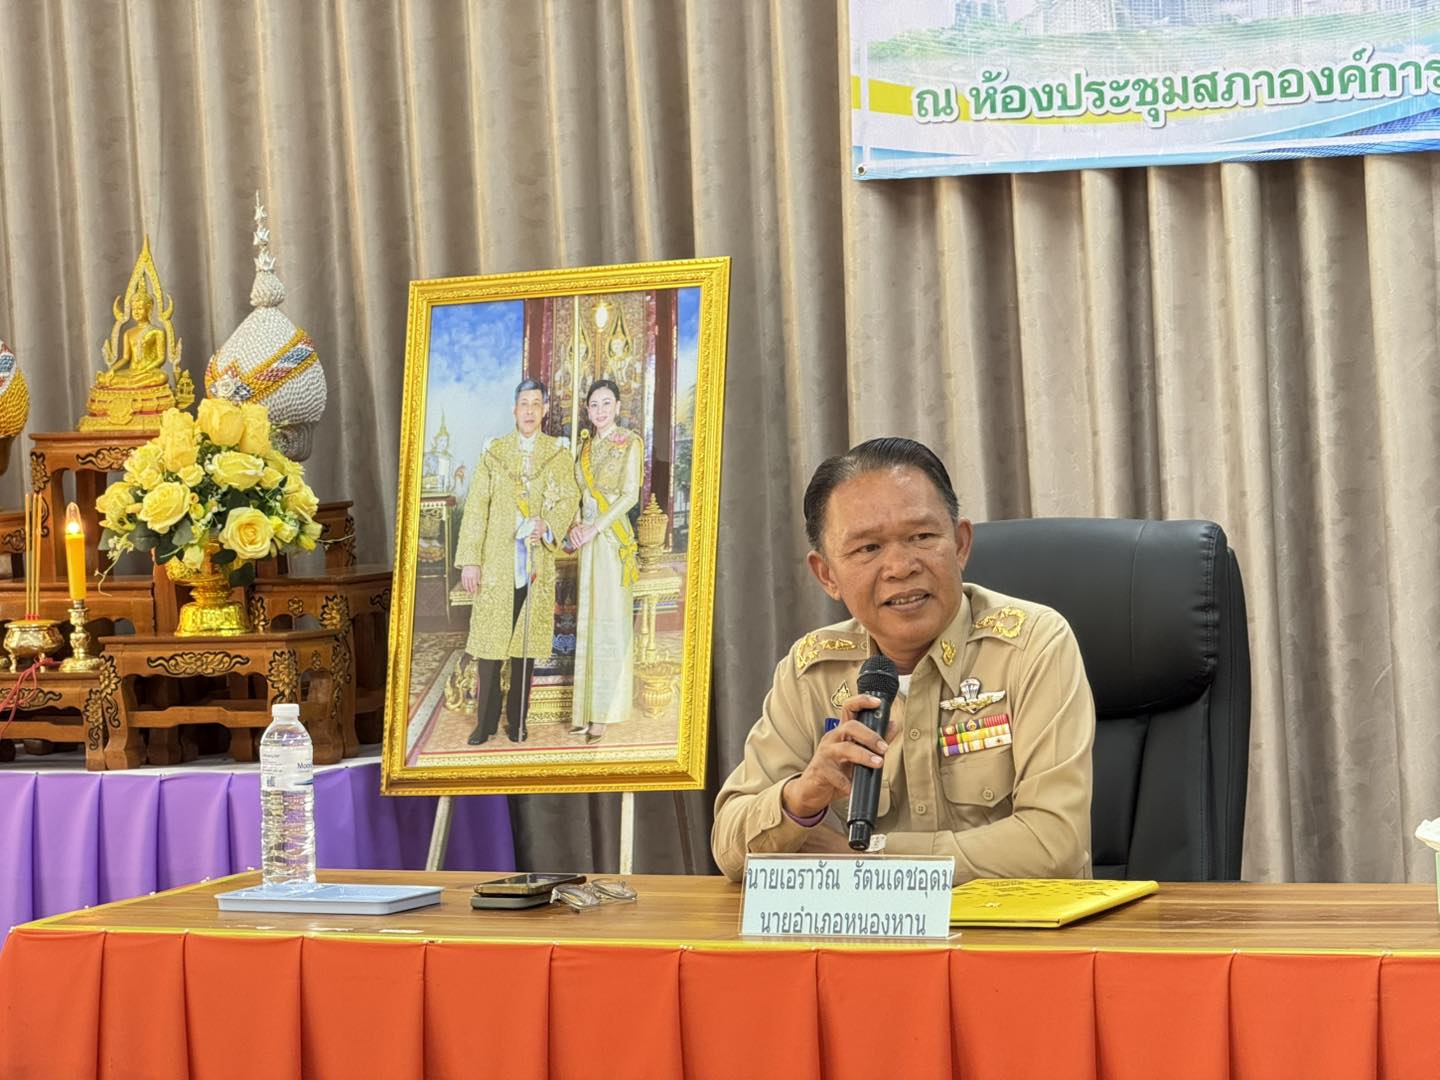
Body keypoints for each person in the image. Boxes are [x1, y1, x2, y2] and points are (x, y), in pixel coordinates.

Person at [711, 437, 1094, 882]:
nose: (900, 566)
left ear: (961, 544)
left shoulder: (1032, 644)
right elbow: (729, 849)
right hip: (870, 928)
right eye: (868, 549)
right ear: (827, 574)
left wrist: (868, 860)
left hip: (1016, 925)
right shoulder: (813, 670)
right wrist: (801, 798)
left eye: (922, 537)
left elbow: (1054, 844)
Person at [454, 378, 578, 745]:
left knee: (525, 647)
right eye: (524, 403)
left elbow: (568, 498)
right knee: (489, 646)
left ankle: (518, 721)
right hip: (496, 563)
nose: (529, 410)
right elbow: (476, 508)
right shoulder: (494, 452)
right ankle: (485, 722)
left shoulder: (557, 453)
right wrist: (471, 561)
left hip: (534, 564)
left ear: (544, 410)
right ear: (514, 409)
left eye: (536, 404)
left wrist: (547, 525)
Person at [567, 379, 644, 743]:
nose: (600, 410)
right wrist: (574, 526)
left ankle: (604, 713)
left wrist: (595, 527)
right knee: (589, 623)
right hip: (586, 542)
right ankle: (585, 710)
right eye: (594, 404)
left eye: (606, 403)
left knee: (610, 623)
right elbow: (575, 494)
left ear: (617, 407)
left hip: (612, 540)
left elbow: (630, 496)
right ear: (588, 409)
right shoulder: (583, 448)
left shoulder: (629, 442)